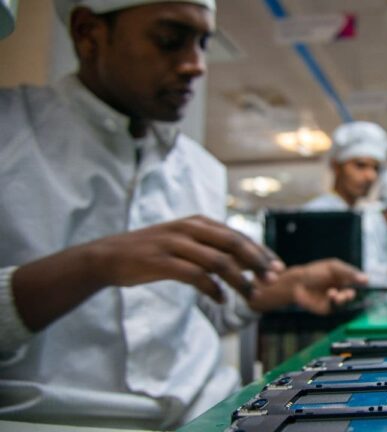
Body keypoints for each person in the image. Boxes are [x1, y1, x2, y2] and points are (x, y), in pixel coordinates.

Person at [0, 1, 363, 429]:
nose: (196, 65)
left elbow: (209, 309)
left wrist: (283, 287)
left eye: (203, 43)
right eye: (169, 40)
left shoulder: (201, 169)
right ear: (88, 33)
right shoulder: (11, 133)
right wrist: (96, 264)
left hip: (213, 411)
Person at [304, 121, 387, 210]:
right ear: (336, 166)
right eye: (361, 165)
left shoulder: (364, 212)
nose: (371, 176)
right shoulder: (318, 212)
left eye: (376, 168)